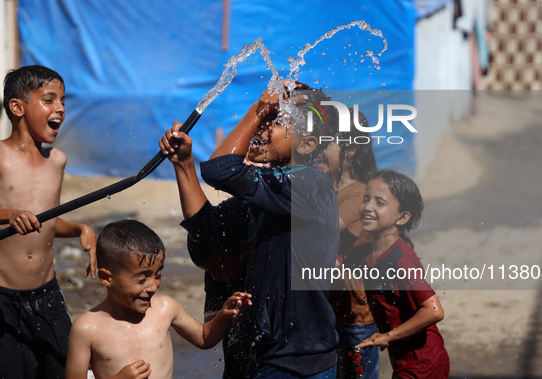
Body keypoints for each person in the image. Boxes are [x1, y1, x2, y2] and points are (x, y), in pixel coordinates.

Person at [159, 79, 341, 378]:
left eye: (276, 121)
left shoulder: (308, 186)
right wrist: (184, 164)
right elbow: (208, 235)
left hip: (296, 360)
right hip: (265, 353)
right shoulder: (272, 193)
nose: (261, 127)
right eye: (265, 118)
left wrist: (258, 109)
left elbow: (221, 169)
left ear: (308, 145)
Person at [0, 65, 97, 379]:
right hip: (3, 298)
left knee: (65, 370)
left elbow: (48, 223)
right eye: (49, 100)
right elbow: (17, 218)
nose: (61, 109)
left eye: (63, 102)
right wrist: (8, 215)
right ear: (17, 107)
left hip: (47, 295)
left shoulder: (57, 160)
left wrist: (81, 229)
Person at [65, 219, 251, 379]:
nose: (153, 287)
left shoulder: (165, 308)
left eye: (158, 275)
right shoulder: (86, 329)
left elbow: (204, 338)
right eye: (141, 279)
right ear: (106, 278)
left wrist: (224, 316)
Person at [355, 170, 449, 378]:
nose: (368, 207)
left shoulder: (402, 260)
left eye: (379, 202)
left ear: (403, 217)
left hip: (423, 365)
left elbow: (434, 311)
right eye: (366, 199)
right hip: (407, 362)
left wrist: (387, 336)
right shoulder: (367, 253)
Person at [317, 109, 380, 379]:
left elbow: (322, 226)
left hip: (354, 318)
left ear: (350, 149)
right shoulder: (327, 187)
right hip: (327, 311)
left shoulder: (361, 195)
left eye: (325, 142)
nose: (315, 148)